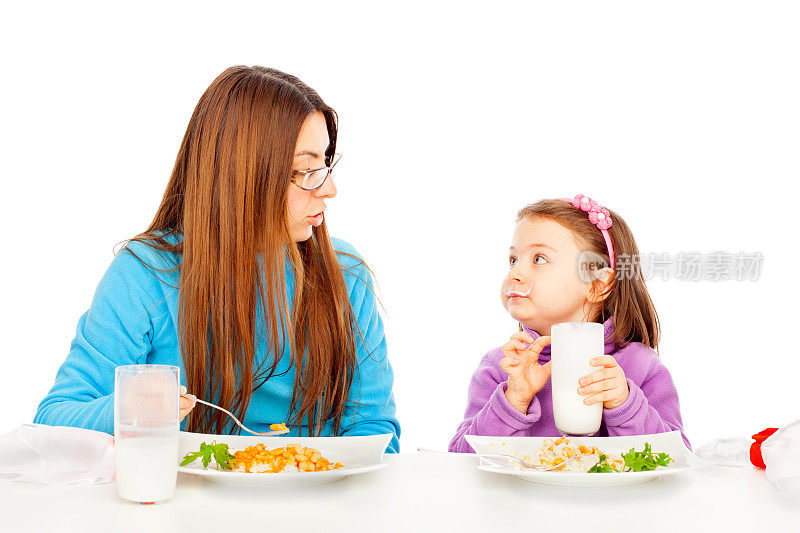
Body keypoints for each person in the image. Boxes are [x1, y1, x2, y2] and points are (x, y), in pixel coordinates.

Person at [34, 66, 400, 452]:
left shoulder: (345, 273)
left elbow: (375, 431)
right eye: (306, 170)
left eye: (325, 164)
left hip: (318, 506)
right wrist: (133, 404)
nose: (329, 188)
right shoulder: (146, 273)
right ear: (243, 174)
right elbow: (55, 420)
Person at [449, 195, 688, 452]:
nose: (514, 273)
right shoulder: (501, 368)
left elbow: (678, 456)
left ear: (598, 284)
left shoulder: (642, 367)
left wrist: (624, 405)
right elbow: (461, 461)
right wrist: (513, 401)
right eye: (513, 259)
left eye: (539, 259)